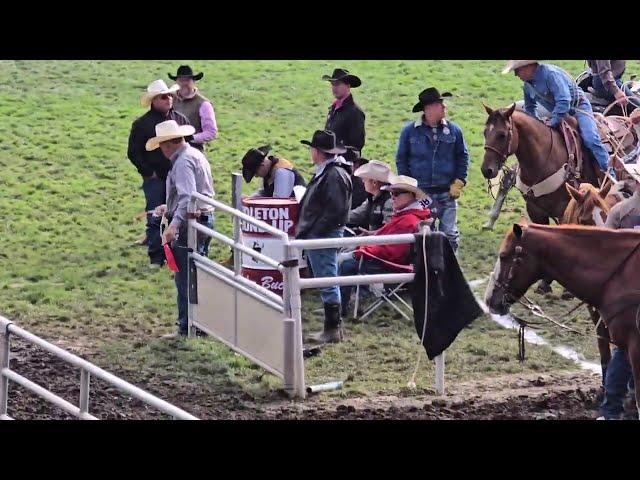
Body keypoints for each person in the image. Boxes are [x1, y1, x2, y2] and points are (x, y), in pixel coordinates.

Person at [146, 120, 215, 338]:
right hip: (201, 217)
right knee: (194, 273)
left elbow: (188, 197)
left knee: (185, 276)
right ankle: (198, 324)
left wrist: (174, 224)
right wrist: (171, 206)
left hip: (191, 222)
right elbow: (189, 196)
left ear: (167, 144)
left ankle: (187, 327)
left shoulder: (183, 162)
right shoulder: (193, 155)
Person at [339, 175, 431, 316]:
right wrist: (368, 239)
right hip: (389, 261)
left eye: (397, 194)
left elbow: (392, 251)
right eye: (392, 193)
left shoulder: (408, 220)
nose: (392, 197)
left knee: (347, 265)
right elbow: (386, 240)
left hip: (391, 265)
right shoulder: (406, 216)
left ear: (412, 196)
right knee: (347, 259)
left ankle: (340, 309)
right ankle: (342, 304)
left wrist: (358, 252)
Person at [502, 60, 612, 174]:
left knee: (591, 139)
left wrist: (554, 121)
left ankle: (609, 171)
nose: (516, 75)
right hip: (557, 113)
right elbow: (530, 108)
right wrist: (536, 124)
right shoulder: (527, 86)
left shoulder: (551, 74)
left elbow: (564, 101)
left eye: (517, 70)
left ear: (528, 67)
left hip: (578, 109)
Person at [127, 80, 192, 267]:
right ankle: (157, 256)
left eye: (170, 96)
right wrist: (149, 172)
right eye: (164, 96)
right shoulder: (142, 124)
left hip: (180, 176)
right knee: (156, 217)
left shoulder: (180, 119)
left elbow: (190, 145)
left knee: (178, 213)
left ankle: (177, 253)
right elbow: (133, 152)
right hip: (157, 178)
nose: (169, 99)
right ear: (154, 100)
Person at [396, 87, 469, 252]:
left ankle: (451, 272)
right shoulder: (409, 132)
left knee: (449, 234)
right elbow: (402, 160)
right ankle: (429, 271)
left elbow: (463, 157)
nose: (444, 107)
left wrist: (459, 180)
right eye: (440, 104)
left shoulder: (455, 131)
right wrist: (409, 187)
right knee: (425, 234)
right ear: (428, 108)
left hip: (447, 193)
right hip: (422, 194)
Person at [296, 130, 353, 343]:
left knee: (327, 279)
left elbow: (334, 211)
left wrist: (314, 230)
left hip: (323, 233)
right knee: (326, 277)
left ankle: (332, 329)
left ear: (318, 152)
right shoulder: (332, 172)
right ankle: (332, 326)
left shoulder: (332, 175)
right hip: (321, 231)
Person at [598, 163, 640, 419]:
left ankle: (611, 409)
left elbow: (602, 250)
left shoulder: (619, 212)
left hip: (624, 299)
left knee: (623, 351)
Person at [169, 65, 219, 151]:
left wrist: (189, 138)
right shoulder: (170, 99)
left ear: (193, 82)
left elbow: (211, 132)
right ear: (176, 82)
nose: (184, 83)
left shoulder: (203, 104)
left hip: (193, 150)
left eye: (187, 80)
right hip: (171, 151)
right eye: (181, 80)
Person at [323, 68, 365, 164]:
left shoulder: (355, 113)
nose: (334, 88)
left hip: (344, 164)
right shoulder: (333, 109)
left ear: (348, 86)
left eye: (337, 84)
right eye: (332, 84)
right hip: (329, 161)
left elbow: (356, 146)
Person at [241, 145, 306, 198]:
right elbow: (263, 194)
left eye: (255, 173)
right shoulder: (268, 172)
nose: (256, 176)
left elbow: (279, 202)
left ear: (262, 165)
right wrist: (249, 199)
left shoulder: (282, 172)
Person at [347, 160, 394, 233]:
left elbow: (389, 229)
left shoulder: (389, 201)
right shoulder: (372, 198)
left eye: (365, 179)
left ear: (374, 182)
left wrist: (371, 234)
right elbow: (357, 214)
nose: (363, 182)